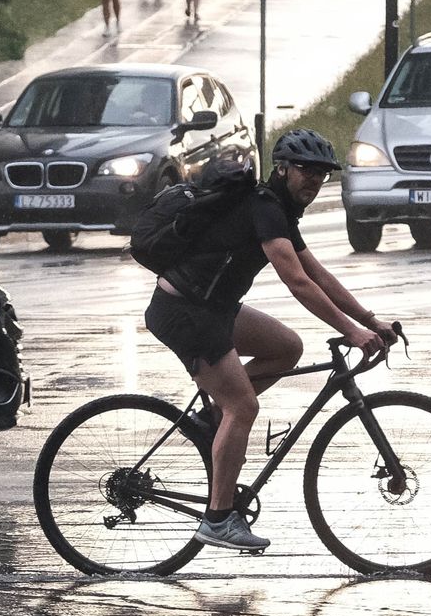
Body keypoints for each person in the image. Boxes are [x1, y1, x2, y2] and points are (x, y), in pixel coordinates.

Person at [143, 129, 397, 553]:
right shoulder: (263, 208)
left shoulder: (279, 210)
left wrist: (370, 319)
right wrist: (351, 332)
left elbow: (317, 274)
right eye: (305, 171)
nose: (313, 181)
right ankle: (218, 519)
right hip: (184, 311)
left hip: (213, 307)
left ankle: (213, 420)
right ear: (282, 169)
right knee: (244, 406)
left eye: (321, 175)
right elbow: (296, 282)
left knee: (286, 348)